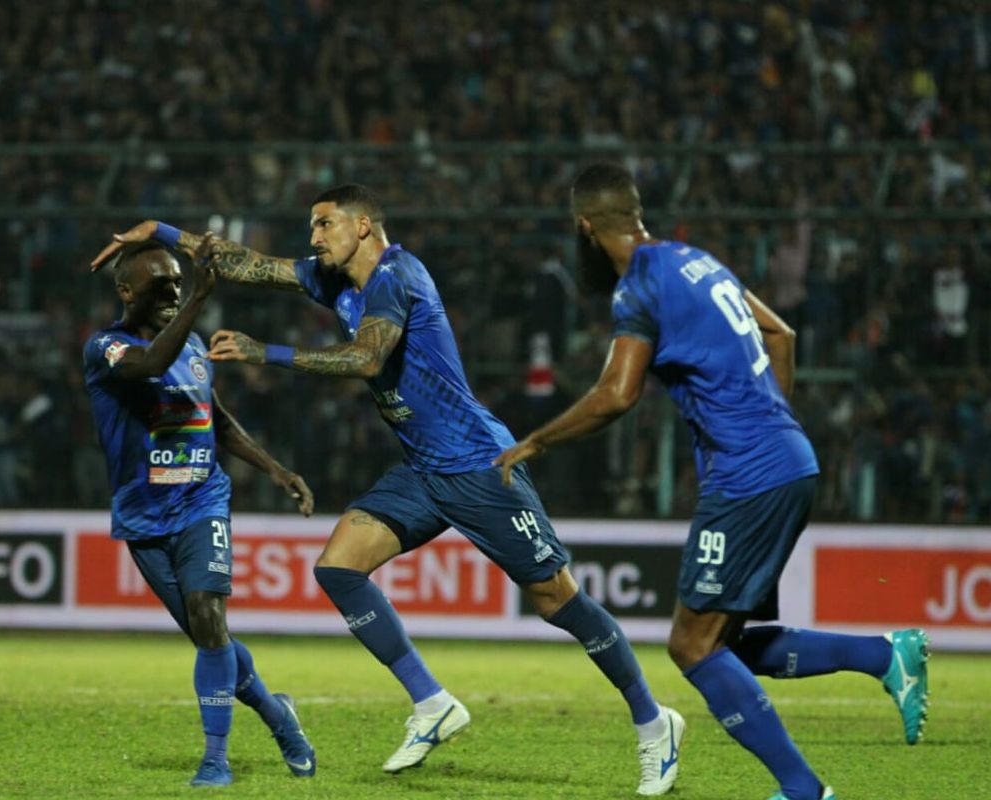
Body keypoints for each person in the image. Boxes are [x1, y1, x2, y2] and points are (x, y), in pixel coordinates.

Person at [91, 187, 686, 796]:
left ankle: (653, 721)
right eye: (312, 227)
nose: (314, 237)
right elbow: (250, 264)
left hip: (479, 465)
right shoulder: (336, 282)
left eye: (324, 224)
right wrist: (162, 232)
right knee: (338, 568)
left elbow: (368, 359)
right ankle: (431, 703)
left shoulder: (398, 275)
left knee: (557, 600)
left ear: (364, 226)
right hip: (423, 470)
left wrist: (264, 352)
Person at [495, 162, 930, 800]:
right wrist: (773, 422)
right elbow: (781, 335)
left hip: (749, 478)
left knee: (691, 647)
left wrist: (534, 439)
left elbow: (616, 396)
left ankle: (804, 791)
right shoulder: (694, 259)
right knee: (723, 642)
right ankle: (884, 656)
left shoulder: (639, 286)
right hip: (787, 460)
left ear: (584, 228)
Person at [83, 239, 317, 788]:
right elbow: (148, 363)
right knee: (209, 641)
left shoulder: (188, 345)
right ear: (125, 291)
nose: (172, 292)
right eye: (159, 286)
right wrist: (199, 299)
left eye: (177, 283)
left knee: (209, 618)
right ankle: (277, 713)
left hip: (201, 501)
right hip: (143, 516)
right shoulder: (106, 349)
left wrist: (275, 469)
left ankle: (216, 759)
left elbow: (217, 420)